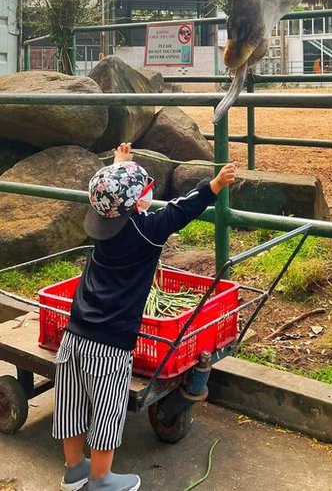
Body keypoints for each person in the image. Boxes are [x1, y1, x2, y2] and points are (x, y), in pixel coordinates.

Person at [53, 142, 237, 491]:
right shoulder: (146, 232)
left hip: (75, 333)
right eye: (144, 190)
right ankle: (101, 479)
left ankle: (74, 470)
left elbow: (107, 195)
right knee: (106, 413)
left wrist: (118, 165)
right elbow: (181, 210)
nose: (148, 193)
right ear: (137, 203)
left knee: (72, 404)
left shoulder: (102, 225)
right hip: (109, 344)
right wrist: (213, 186)